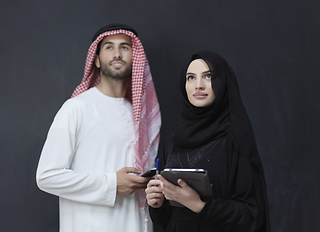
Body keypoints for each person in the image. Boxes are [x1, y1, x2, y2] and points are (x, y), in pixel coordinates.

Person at [36, 23, 161, 232]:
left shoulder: (144, 117)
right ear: (96, 59)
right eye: (109, 47)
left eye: (125, 47)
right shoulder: (76, 108)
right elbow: (47, 176)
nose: (117, 54)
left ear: (136, 56)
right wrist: (111, 184)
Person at [145, 51, 270, 232]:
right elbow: (164, 219)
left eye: (208, 76)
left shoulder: (235, 140)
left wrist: (199, 205)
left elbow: (251, 212)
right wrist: (156, 202)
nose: (198, 86)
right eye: (191, 78)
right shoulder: (171, 142)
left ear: (222, 83)